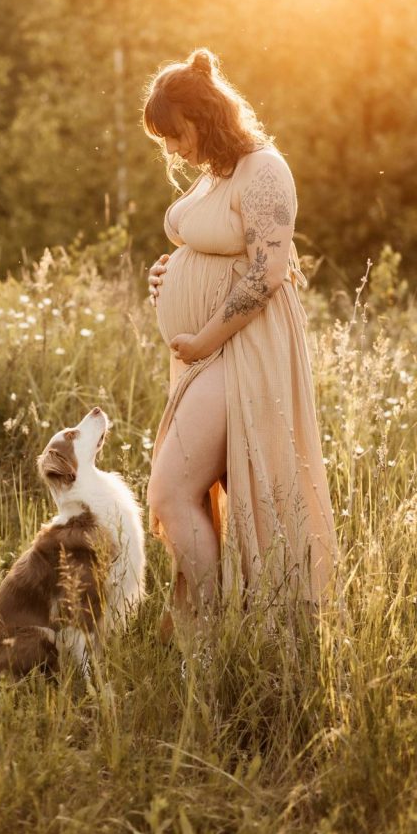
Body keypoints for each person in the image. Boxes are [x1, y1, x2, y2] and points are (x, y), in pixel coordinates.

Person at [143, 47, 337, 629]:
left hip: (242, 350)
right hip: (206, 355)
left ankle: (204, 634)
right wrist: (167, 272)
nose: (173, 149)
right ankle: (215, 633)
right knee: (196, 492)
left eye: (176, 135)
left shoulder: (264, 169)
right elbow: (205, 245)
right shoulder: (214, 174)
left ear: (204, 117)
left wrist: (202, 337)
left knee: (170, 492)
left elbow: (267, 273)